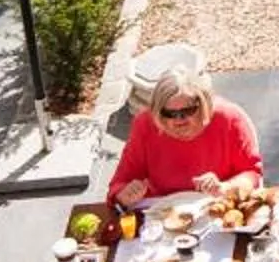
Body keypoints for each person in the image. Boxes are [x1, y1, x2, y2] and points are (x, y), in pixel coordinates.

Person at [109, 68, 264, 209]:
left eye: (187, 111)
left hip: (220, 208)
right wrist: (124, 195)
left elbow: (252, 174)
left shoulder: (230, 118)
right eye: (169, 114)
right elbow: (119, 185)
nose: (179, 120)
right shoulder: (145, 125)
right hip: (165, 214)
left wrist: (226, 187)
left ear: (203, 103)